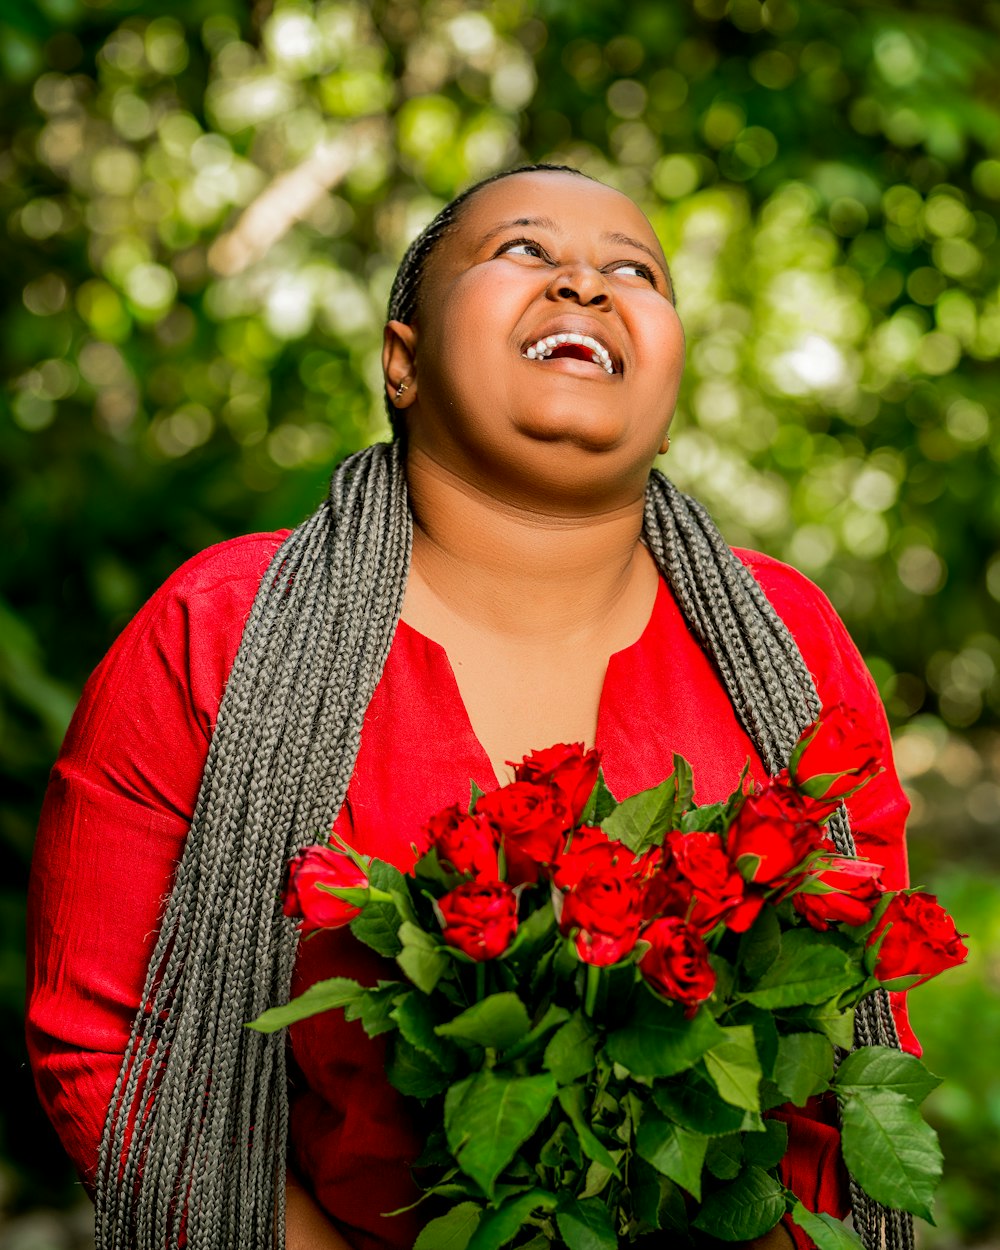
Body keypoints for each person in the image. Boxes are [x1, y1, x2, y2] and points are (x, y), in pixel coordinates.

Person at [26, 165, 915, 1250]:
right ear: (401, 361)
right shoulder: (213, 631)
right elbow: (108, 1045)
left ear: (669, 393)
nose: (586, 282)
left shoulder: (787, 643)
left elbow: (856, 1029)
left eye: (633, 270)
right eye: (524, 252)